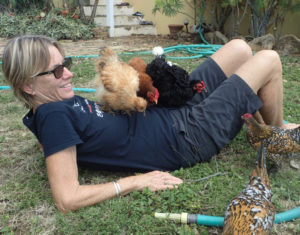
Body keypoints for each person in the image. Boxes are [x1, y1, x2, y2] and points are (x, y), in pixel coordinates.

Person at [2, 35, 298, 213]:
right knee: (269, 59)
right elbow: (67, 198)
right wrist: (138, 181)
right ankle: (278, 133)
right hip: (186, 136)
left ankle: (262, 123)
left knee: (240, 49)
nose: (68, 73)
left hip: (171, 109)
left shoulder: (49, 110)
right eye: (55, 72)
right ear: (29, 86)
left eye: (65, 64)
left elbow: (51, 141)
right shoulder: (51, 115)